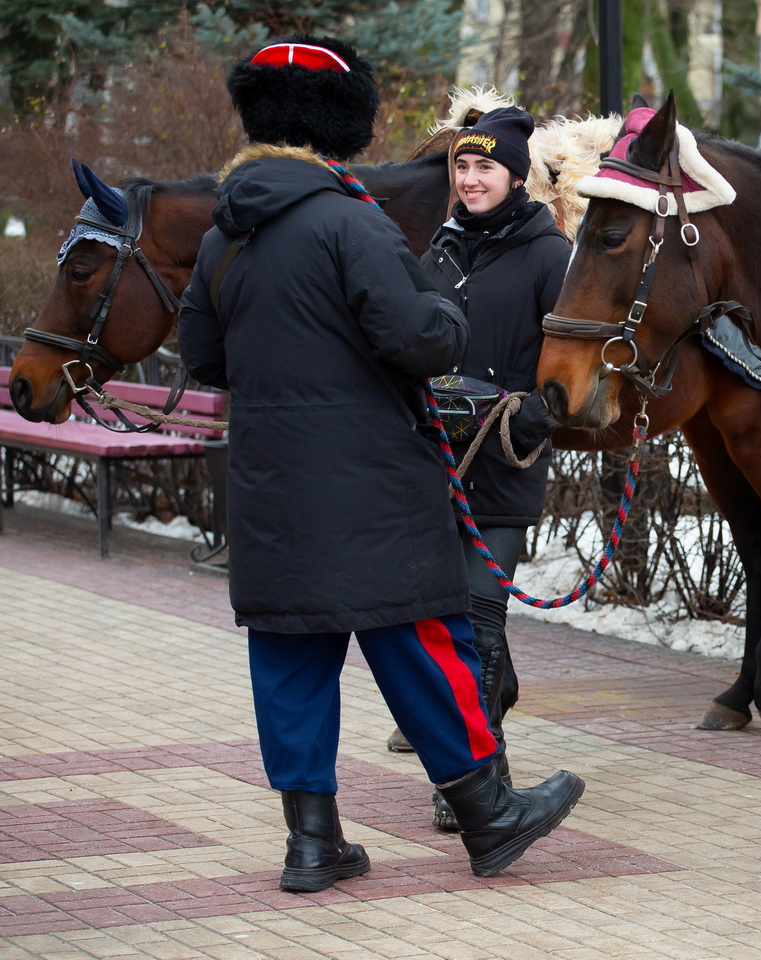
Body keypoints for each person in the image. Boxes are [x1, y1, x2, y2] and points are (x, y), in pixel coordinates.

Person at [176, 35, 583, 892]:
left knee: (290, 655)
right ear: (338, 125)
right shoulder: (348, 220)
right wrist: (448, 318)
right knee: (418, 638)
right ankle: (488, 813)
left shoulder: (226, 231)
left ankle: (312, 843)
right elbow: (418, 335)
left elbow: (204, 357)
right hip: (371, 486)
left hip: (268, 488)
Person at [402, 105, 572, 830]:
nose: (471, 179)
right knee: (442, 620)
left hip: (504, 462)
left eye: (486, 168)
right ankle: (470, 763)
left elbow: (573, 367)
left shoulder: (549, 254)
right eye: (462, 167)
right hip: (434, 460)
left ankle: (482, 778)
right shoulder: (436, 251)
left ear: (514, 176)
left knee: (478, 615)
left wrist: (537, 412)